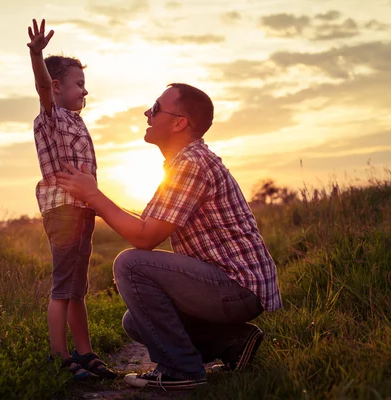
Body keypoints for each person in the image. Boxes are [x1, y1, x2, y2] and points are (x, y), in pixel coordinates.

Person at [56, 83, 282, 390]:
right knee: (136, 322)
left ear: (179, 123)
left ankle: (182, 370)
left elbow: (145, 238)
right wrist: (92, 201)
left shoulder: (191, 164)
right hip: (230, 285)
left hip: (237, 287)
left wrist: (94, 196)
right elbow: (147, 223)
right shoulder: (180, 165)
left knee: (131, 264)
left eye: (156, 108)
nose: (148, 113)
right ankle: (235, 342)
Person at [26, 18, 116, 381]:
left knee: (78, 287)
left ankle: (86, 352)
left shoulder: (76, 121)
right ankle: (60, 357)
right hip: (63, 210)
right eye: (79, 85)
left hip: (81, 210)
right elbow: (41, 86)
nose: (85, 92)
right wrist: (37, 54)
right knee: (63, 286)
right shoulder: (52, 116)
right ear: (58, 87)